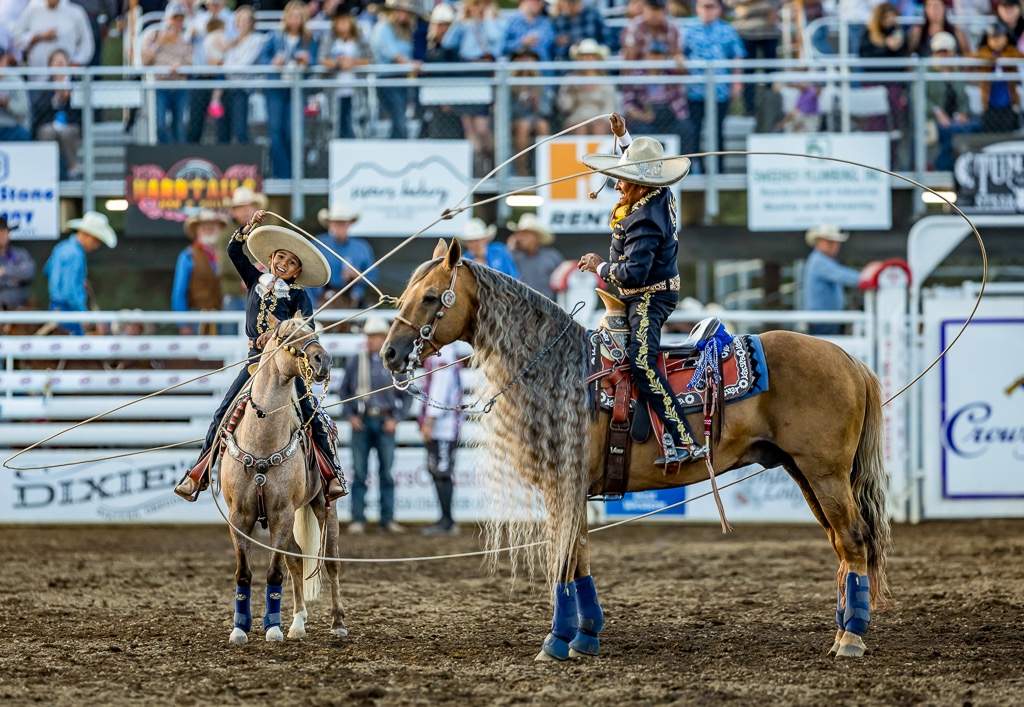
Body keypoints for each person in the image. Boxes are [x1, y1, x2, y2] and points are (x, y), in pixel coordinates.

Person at [174, 210, 348, 502]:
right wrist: (251, 225)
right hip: (256, 363)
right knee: (223, 411)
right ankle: (199, 473)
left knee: (310, 414)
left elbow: (308, 329)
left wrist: (279, 332)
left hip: (286, 367)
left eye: (291, 263)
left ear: (297, 272)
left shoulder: (298, 296)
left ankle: (331, 474)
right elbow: (232, 250)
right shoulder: (256, 279)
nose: (284, 264)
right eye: (280, 257)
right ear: (271, 259)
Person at [578, 115, 700, 466]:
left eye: (624, 180)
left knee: (641, 362)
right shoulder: (658, 192)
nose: (617, 185)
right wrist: (624, 137)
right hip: (650, 291)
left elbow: (632, 274)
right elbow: (642, 164)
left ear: (640, 185)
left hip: (649, 297)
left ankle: (685, 439)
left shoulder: (646, 219)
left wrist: (601, 266)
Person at [338, 316, 409, 535]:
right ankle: (358, 518)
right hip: (362, 420)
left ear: (384, 338)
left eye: (376, 336)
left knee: (386, 473)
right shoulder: (355, 361)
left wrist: (395, 419)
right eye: (370, 336)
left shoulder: (395, 363)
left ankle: (387, 520)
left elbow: (406, 395)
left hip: (385, 421)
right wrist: (350, 416)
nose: (372, 340)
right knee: (359, 473)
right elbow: (344, 392)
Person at [682, 0, 745, 173]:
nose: (707, 10)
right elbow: (680, 55)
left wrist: (737, 82)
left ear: (719, 9)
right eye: (703, 6)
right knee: (694, 130)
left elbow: (737, 56)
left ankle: (718, 169)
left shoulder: (728, 30)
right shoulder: (688, 29)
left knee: (717, 131)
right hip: (694, 90)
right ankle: (696, 169)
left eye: (711, 6)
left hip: (719, 91)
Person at [259, 0, 318, 178]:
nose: (295, 20)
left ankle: (295, 174)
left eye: (299, 16)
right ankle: (282, 175)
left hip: (296, 89)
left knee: (293, 132)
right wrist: (273, 63)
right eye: (292, 16)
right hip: (276, 88)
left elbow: (315, 60)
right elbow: (262, 59)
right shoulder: (274, 36)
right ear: (286, 17)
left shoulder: (309, 39)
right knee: (275, 132)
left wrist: (307, 61)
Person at [441, 0, 501, 171]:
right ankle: (476, 170)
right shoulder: (465, 26)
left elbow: (495, 39)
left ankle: (494, 163)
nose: (477, 7)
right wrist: (460, 19)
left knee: (482, 128)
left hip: (482, 73)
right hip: (466, 73)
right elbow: (447, 43)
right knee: (469, 127)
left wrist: (487, 18)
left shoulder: (494, 24)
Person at [43, 211, 117, 335]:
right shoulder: (76, 254)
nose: (96, 246)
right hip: (68, 310)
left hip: (55, 307)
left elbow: (47, 271)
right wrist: (83, 313)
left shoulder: (61, 247)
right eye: (96, 241)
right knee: (74, 350)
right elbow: (69, 291)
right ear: (87, 235)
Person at [419, 344, 463, 536]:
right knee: (438, 470)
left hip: (443, 426)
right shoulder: (447, 352)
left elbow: (440, 386)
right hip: (444, 424)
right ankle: (446, 518)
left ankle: (447, 520)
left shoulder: (443, 352)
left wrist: (430, 420)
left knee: (442, 471)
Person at [621, 40, 691, 149]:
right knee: (641, 130)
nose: (655, 59)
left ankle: (684, 162)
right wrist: (643, 116)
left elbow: (684, 73)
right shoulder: (636, 76)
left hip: (669, 114)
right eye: (653, 55)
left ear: (665, 58)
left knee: (686, 127)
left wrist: (680, 63)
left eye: (659, 55)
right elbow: (628, 105)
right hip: (646, 114)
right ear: (646, 57)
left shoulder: (671, 74)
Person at [141, 2, 193, 145]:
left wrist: (179, 67)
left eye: (180, 18)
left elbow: (189, 62)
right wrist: (158, 43)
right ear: (167, 18)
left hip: (179, 85)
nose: (177, 22)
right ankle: (165, 152)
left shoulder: (186, 39)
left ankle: (179, 157)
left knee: (179, 126)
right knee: (159, 124)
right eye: (174, 17)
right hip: (159, 85)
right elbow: (144, 60)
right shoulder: (153, 34)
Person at [926, 31, 979, 170]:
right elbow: (919, 97)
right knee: (950, 133)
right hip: (932, 119)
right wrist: (938, 112)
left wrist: (963, 112)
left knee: (975, 126)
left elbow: (963, 97)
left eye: (946, 51)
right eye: (939, 52)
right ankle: (943, 167)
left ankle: (965, 166)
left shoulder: (956, 72)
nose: (943, 55)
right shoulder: (926, 71)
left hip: (954, 119)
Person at [318, 5, 372, 139]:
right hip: (335, 91)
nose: (343, 23)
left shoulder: (359, 38)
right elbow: (322, 59)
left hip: (356, 90)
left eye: (345, 20)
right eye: (340, 20)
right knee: (335, 125)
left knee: (356, 124)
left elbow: (370, 58)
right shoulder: (329, 38)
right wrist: (338, 63)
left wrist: (352, 62)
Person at [370, 0, 422, 140]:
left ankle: (394, 150)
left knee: (399, 120)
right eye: (399, 10)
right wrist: (411, 64)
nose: (402, 14)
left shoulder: (405, 31)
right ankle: (395, 151)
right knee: (399, 120)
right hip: (388, 80)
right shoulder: (383, 28)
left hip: (402, 81)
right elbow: (392, 54)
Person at [172, 210, 229, 336]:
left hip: (225, 317)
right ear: (196, 231)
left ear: (219, 230)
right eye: (204, 227)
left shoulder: (229, 255)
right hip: (196, 317)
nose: (209, 230)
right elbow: (179, 291)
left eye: (213, 227)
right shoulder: (188, 256)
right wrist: (183, 323)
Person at [801, 224, 862, 336]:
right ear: (818, 242)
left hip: (825, 320)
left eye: (836, 242)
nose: (834, 245)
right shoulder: (820, 261)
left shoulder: (822, 260)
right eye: (829, 242)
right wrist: (867, 276)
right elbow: (847, 277)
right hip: (823, 321)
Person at [312, 203, 376, 309]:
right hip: (321, 302)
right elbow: (307, 275)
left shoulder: (362, 247)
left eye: (343, 223)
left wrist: (358, 275)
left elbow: (373, 278)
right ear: (329, 224)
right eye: (336, 223)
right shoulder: (318, 245)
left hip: (353, 302)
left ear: (349, 224)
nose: (340, 226)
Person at [31, 48, 82, 179]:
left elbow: (81, 114)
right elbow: (39, 113)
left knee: (66, 133)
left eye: (62, 61)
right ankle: (47, 171)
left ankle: (72, 169)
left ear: (68, 64)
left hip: (71, 125)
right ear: (50, 66)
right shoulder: (46, 87)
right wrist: (55, 99)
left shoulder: (78, 84)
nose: (59, 64)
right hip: (50, 124)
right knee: (47, 132)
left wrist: (69, 99)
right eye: (55, 61)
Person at [724, 0, 781, 115]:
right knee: (748, 73)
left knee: (771, 74)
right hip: (746, 32)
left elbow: (778, 3)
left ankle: (769, 111)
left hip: (770, 32)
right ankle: (749, 110)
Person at [221, 6, 266, 145]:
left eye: (247, 20)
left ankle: (248, 160)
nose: (243, 23)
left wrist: (226, 66)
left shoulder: (257, 39)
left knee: (239, 129)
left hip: (242, 89)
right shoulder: (233, 41)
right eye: (240, 19)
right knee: (223, 130)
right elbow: (226, 63)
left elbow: (244, 64)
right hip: (226, 87)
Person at [556, 39, 619, 133]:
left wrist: (603, 119)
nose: (587, 59)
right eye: (584, 56)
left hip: (600, 116)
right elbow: (565, 107)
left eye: (591, 56)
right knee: (580, 128)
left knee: (599, 127)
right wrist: (570, 92)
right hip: (577, 116)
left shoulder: (605, 81)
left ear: (597, 59)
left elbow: (610, 106)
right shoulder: (570, 79)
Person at [222, 186, 267, 315]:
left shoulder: (266, 233)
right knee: (231, 334)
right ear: (234, 212)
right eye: (240, 208)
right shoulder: (226, 235)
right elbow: (225, 264)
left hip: (263, 293)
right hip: (234, 294)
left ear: (255, 209)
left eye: (248, 207)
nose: (244, 212)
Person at [972, 22, 1024, 133]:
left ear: (1006, 38)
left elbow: (1020, 57)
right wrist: (992, 58)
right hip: (990, 95)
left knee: (1009, 127)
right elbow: (973, 57)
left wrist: (1003, 58)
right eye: (993, 37)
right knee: (991, 128)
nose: (996, 41)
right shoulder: (984, 52)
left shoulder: (1010, 51)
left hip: (1007, 94)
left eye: (999, 37)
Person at [510, 47, 553, 176]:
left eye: (529, 58)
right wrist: (520, 102)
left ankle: (542, 168)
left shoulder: (541, 83)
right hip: (515, 120)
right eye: (522, 58)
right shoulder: (509, 82)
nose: (526, 62)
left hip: (536, 118)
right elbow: (505, 111)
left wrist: (536, 103)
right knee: (524, 125)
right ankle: (521, 169)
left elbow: (547, 110)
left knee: (542, 126)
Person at [13, 0, 93, 68]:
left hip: (66, 79)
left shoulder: (76, 12)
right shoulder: (31, 10)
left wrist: (76, 62)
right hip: (37, 77)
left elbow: (86, 43)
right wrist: (39, 37)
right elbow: (16, 40)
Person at [506, 212, 564, 300]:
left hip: (548, 307)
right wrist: (509, 249)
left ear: (537, 237)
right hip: (521, 307)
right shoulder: (513, 257)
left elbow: (563, 283)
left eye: (525, 234)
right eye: (519, 234)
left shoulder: (552, 257)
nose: (520, 238)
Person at [0, 216, 36, 310]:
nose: (2, 236)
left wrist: (4, 271)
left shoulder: (20, 254)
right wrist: (14, 281)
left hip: (20, 312)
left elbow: (29, 273)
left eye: (4, 232)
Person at [0, 46, 30, 142]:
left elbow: (23, 110)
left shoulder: (15, 80)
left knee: (22, 135)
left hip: (12, 127)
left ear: (5, 60)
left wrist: (6, 103)